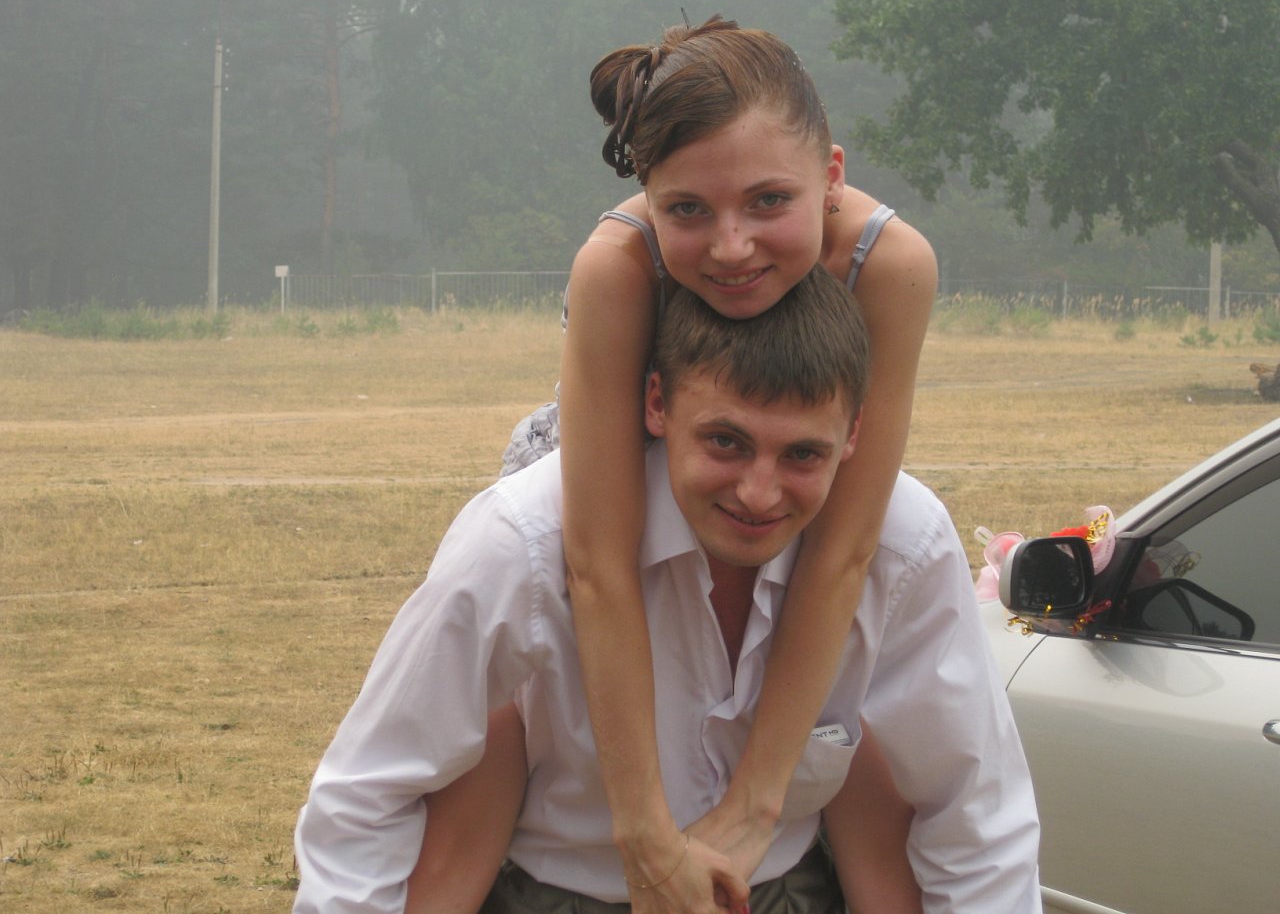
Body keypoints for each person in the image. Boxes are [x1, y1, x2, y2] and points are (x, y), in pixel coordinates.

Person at [293, 272, 1042, 914]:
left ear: (854, 435)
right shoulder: (524, 538)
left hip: (785, 889)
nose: (759, 493)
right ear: (657, 404)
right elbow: (366, 793)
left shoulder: (903, 545)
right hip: (559, 893)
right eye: (726, 442)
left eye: (802, 454)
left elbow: (974, 814)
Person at [501, 15, 939, 913]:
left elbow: (845, 550)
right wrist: (644, 837)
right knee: (510, 729)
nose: (731, 247)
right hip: (618, 477)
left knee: (856, 736)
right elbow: (598, 564)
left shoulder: (890, 264)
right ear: (648, 198)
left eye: (768, 202)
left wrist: (753, 807)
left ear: (832, 177)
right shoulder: (616, 267)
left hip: (767, 474)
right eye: (688, 211)